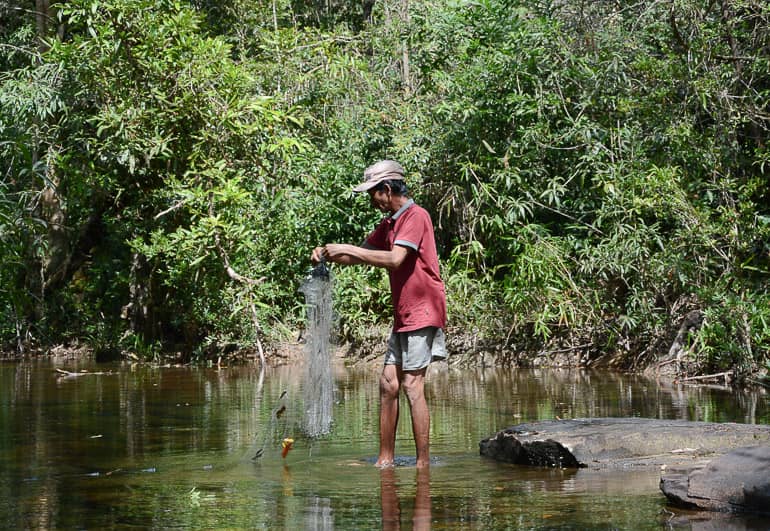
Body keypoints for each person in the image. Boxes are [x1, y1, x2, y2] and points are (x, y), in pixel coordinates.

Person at [311, 160, 447, 468]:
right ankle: (385, 461)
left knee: (412, 386)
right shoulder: (389, 224)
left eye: (372, 193)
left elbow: (396, 259)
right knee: (388, 385)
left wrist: (351, 249)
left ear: (386, 190)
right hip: (404, 314)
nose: (371, 200)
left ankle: (422, 464)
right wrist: (327, 253)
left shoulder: (415, 216)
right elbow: (356, 254)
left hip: (424, 311)